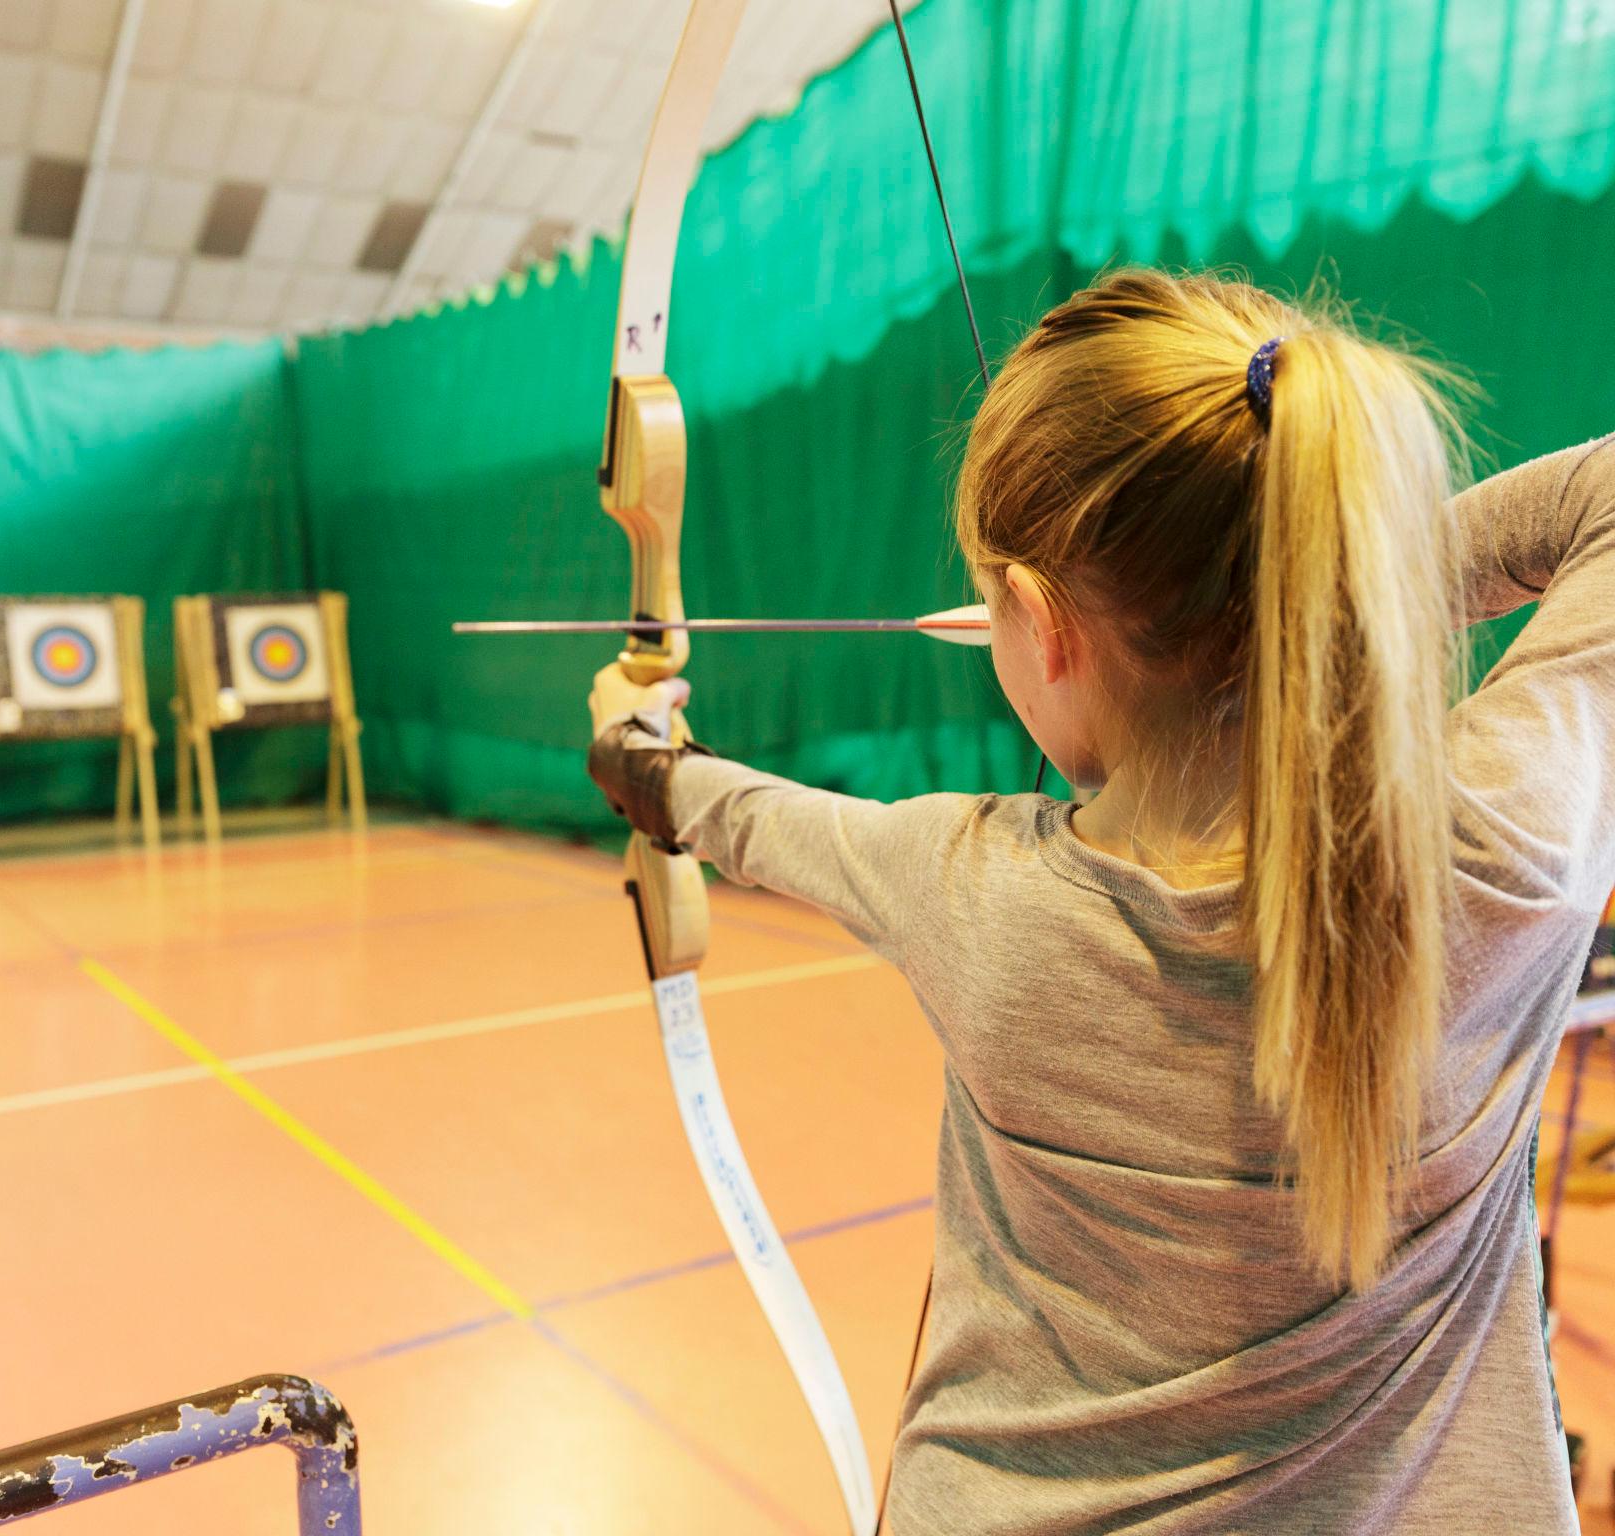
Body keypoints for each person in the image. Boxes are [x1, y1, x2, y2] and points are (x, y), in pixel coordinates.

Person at [587, 268, 1612, 1533]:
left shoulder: (967, 893)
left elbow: (737, 816)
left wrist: (635, 754)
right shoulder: (1504, 850)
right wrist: (1323, 600)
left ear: (1035, 621)